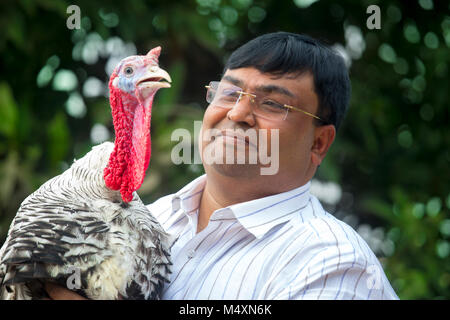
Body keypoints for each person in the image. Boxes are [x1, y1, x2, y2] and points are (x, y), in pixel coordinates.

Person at [46, 32, 398, 300]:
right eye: (229, 93)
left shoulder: (331, 263)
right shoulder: (147, 219)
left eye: (273, 104)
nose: (238, 113)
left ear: (319, 143)